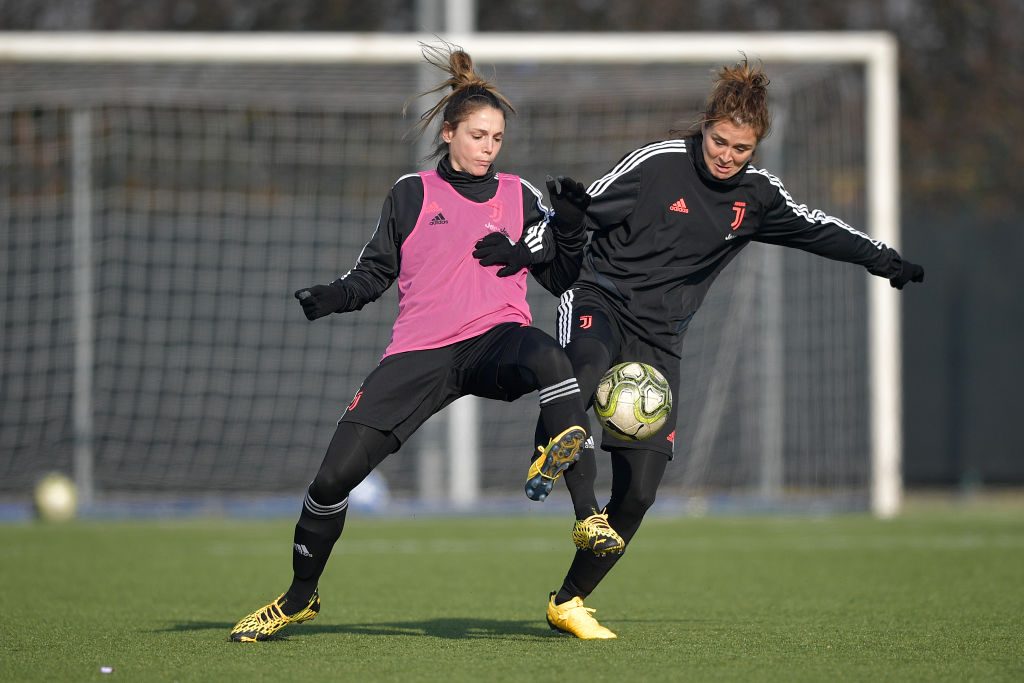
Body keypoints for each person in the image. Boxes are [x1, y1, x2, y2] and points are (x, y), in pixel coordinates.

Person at [478, 57, 925, 640]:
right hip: (601, 299)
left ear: (755, 145)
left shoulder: (757, 197)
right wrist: (525, 249)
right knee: (582, 372)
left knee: (639, 492)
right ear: (704, 128)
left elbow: (820, 229)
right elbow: (578, 211)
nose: (727, 156)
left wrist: (884, 261)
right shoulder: (658, 163)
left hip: (661, 341)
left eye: (742, 148)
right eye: (719, 141)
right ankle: (562, 469)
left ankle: (569, 601)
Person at [229, 43, 624, 643]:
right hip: (421, 354)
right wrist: (338, 296)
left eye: (496, 138)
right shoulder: (410, 193)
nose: (489, 148)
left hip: (496, 340)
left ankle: (587, 516)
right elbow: (373, 272)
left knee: (549, 355)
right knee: (331, 483)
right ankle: (299, 597)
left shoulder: (520, 197)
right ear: (448, 133)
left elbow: (561, 276)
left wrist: (567, 228)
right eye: (477, 135)